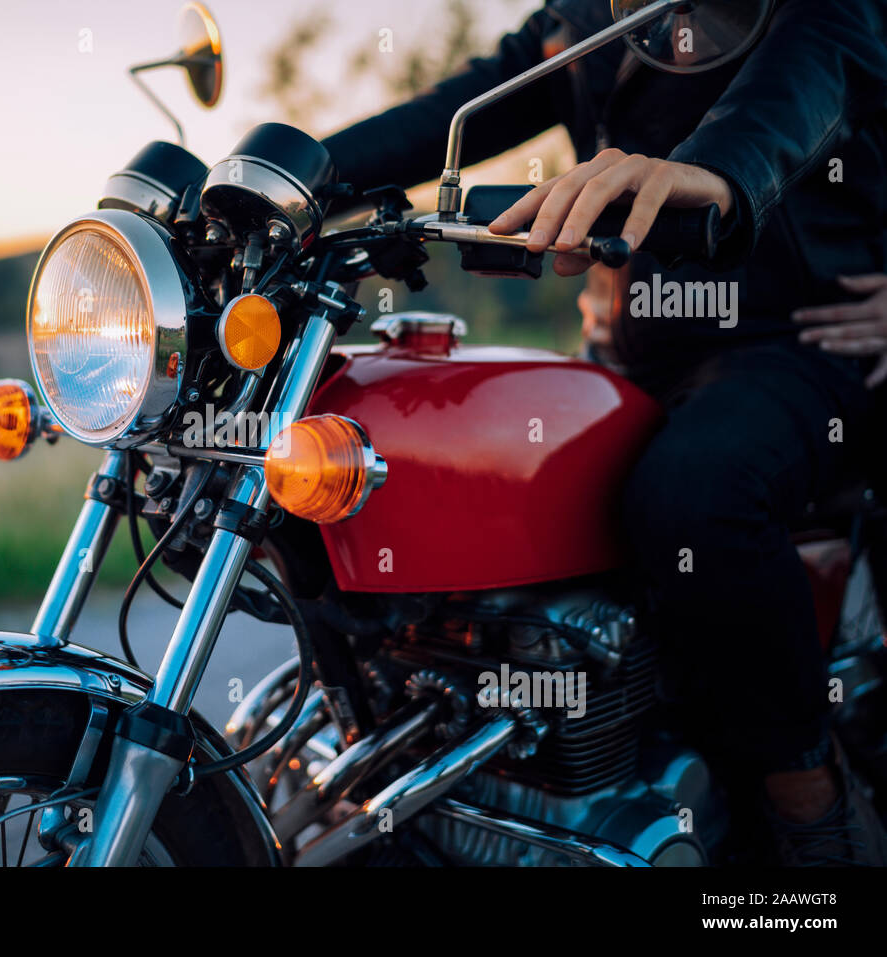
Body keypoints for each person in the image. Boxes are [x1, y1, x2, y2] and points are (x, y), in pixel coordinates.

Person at [320, 0, 887, 864]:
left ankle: (814, 807)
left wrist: (712, 176)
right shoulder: (585, 16)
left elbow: (798, 86)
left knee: (696, 492)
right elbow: (453, 112)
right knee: (402, 456)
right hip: (634, 348)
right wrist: (277, 178)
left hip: (801, 345)